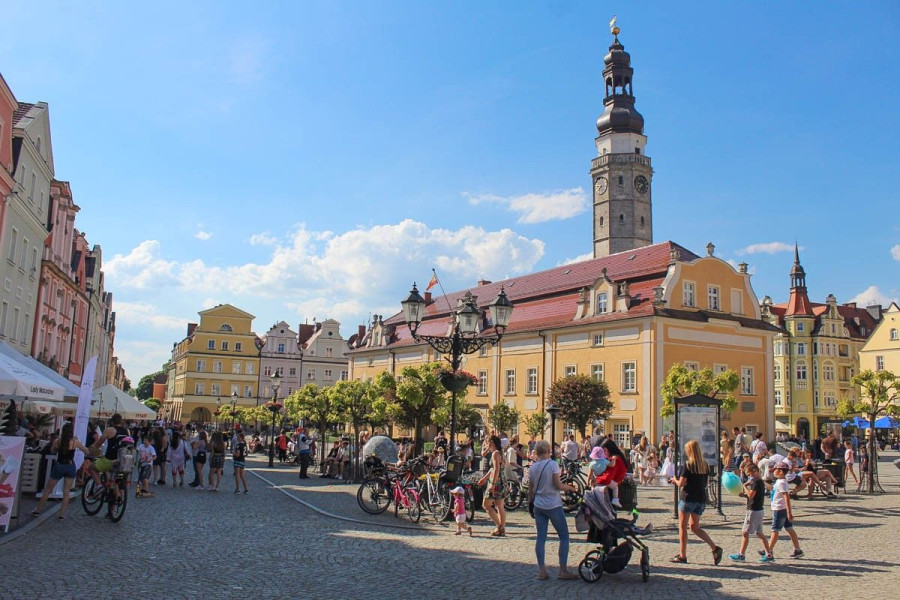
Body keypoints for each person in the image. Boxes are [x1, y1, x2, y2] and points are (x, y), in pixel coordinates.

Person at [528, 440, 578, 581]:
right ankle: (562, 570)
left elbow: (531, 491)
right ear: (548, 451)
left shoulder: (533, 468)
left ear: (537, 453)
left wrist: (530, 505)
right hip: (553, 504)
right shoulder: (552, 465)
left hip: (538, 505)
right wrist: (569, 487)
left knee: (541, 538)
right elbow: (557, 485)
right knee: (564, 536)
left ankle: (542, 570)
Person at [668, 439, 723, 565]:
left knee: (683, 527)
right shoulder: (704, 464)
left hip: (688, 498)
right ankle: (714, 548)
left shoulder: (688, 465)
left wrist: (674, 480)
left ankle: (682, 555)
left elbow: (681, 483)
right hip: (700, 498)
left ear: (689, 451)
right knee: (695, 527)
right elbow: (705, 481)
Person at [30, 424, 92, 520]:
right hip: (70, 466)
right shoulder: (74, 441)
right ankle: (61, 514)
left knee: (48, 489)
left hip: (59, 465)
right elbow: (86, 451)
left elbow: (52, 451)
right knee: (66, 491)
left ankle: (38, 510)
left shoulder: (57, 441)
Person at [730, 463, 774, 563]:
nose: (749, 477)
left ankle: (741, 554)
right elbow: (755, 495)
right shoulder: (761, 482)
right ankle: (769, 554)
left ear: (754, 471)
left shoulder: (755, 481)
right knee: (759, 533)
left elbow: (751, 495)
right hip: (760, 510)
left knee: (745, 533)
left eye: (749, 474)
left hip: (753, 510)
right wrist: (744, 495)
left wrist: (745, 486)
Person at [769, 462, 803, 558]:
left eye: (774, 470)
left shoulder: (782, 482)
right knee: (789, 529)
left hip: (780, 509)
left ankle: (768, 550)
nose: (773, 472)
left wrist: (789, 513)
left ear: (780, 471)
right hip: (780, 508)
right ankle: (797, 549)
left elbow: (786, 497)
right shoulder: (779, 481)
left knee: (775, 530)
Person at [477, 435, 507, 536]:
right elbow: (493, 469)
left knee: (486, 505)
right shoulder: (501, 453)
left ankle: (499, 526)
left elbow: (496, 469)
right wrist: (484, 478)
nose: (486, 444)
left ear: (492, 443)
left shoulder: (495, 454)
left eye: (488, 442)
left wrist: (492, 484)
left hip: (496, 482)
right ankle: (501, 530)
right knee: (500, 506)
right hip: (501, 480)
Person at [594, 439, 625, 508]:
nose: (602, 454)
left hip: (612, 480)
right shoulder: (615, 458)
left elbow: (608, 476)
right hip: (614, 480)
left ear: (609, 450)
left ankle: (614, 500)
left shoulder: (613, 459)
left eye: (604, 451)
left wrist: (597, 479)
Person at [136, 434, 156, 498]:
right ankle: (144, 488)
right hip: (142, 463)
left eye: (146, 441)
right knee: (141, 477)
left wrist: (150, 459)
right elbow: (136, 450)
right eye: (144, 440)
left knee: (145, 477)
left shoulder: (151, 448)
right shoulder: (141, 446)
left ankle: (146, 489)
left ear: (149, 442)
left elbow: (155, 456)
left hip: (148, 464)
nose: (144, 442)